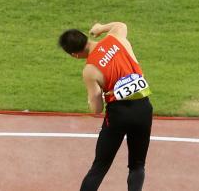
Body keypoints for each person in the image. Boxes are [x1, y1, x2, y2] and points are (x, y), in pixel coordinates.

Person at [59, 22, 153, 191]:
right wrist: (101, 28)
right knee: (137, 166)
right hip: (143, 109)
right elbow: (121, 24)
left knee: (100, 167)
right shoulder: (117, 38)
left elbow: (96, 109)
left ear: (74, 55)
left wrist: (97, 97)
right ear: (85, 37)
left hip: (118, 116)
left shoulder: (90, 71)